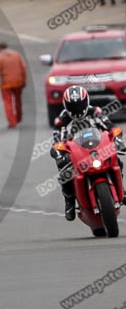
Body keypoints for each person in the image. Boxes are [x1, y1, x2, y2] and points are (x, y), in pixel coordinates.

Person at [50, 85, 126, 221]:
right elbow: (56, 140)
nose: (78, 110)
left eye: (80, 105)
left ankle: (122, 190)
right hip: (76, 152)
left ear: (86, 102)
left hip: (98, 148)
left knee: (117, 161)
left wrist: (117, 137)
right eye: (73, 106)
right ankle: (69, 202)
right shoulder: (61, 120)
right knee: (64, 173)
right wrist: (58, 151)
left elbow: (110, 126)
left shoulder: (96, 112)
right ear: (66, 105)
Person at [0, 43, 27, 128]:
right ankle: (18, 118)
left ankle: (12, 122)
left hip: (6, 84)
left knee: (8, 102)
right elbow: (24, 67)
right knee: (18, 101)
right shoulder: (16, 55)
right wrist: (24, 80)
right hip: (18, 82)